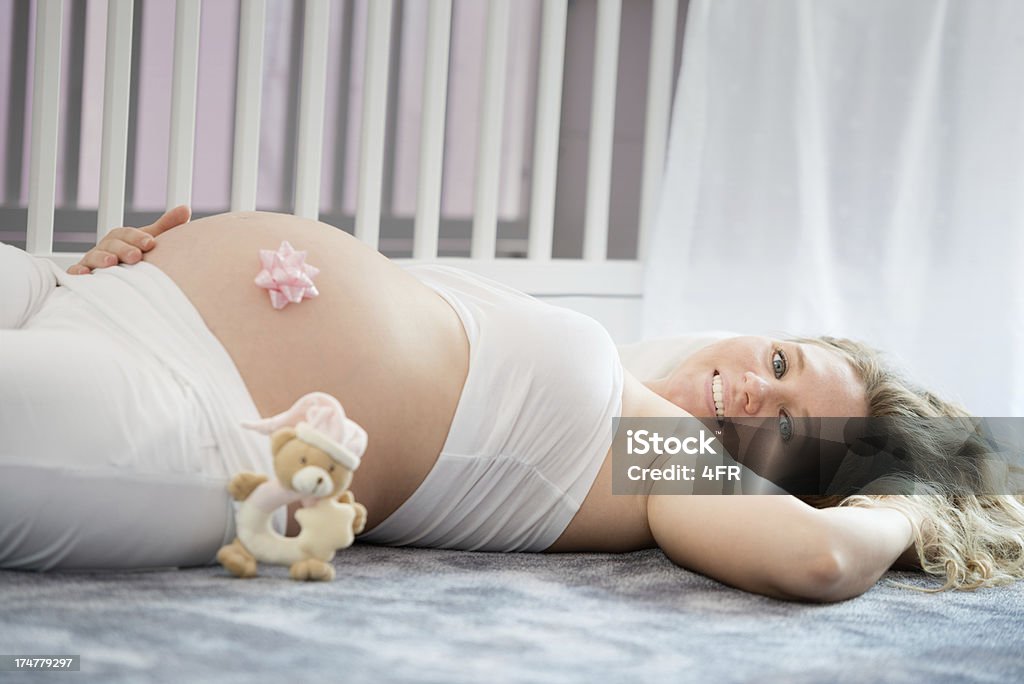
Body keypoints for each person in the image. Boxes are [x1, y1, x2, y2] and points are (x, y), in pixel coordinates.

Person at [1, 209, 1021, 602]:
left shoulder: (651, 455)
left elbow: (815, 556)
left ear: (772, 477)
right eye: (783, 360)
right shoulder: (602, 357)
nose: (760, 389)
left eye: (791, 427)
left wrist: (910, 508)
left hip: (196, 418)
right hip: (91, 289)